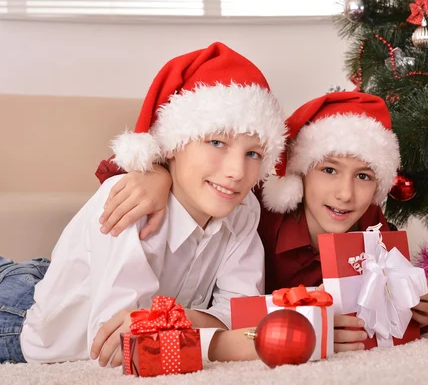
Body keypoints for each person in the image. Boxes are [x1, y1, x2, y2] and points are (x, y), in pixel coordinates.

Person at [0, 42, 287, 366]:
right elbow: (121, 347)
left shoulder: (244, 208)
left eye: (253, 153)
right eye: (217, 142)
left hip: (58, 281)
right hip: (17, 317)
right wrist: (221, 344)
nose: (237, 172)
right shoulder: (131, 202)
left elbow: (238, 315)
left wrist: (175, 320)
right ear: (173, 144)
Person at [95, 92, 428, 354]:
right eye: (328, 170)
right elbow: (188, 179)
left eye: (363, 176)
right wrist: (157, 173)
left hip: (198, 313)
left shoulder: (372, 227)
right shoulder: (256, 204)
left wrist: (410, 302)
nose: (345, 194)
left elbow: (391, 302)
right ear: (298, 174)